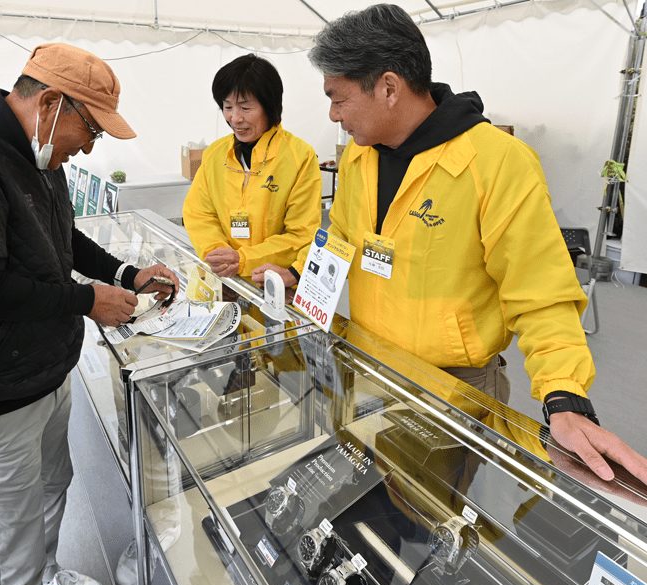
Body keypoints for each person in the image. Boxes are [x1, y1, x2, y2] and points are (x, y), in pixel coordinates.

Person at [254, 3, 647, 485]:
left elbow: (541, 292)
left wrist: (565, 398)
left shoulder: (496, 163)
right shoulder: (359, 158)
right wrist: (300, 273)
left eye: (338, 99)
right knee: (368, 489)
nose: (333, 115)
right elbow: (340, 234)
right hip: (368, 364)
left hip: (454, 391)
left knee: (430, 508)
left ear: (389, 87)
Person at [0, 43, 178, 585]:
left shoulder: (39, 155)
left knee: (51, 491)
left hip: (41, 373)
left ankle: (48, 576)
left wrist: (126, 274)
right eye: (91, 130)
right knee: (8, 550)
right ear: (51, 103)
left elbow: (61, 237)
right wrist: (86, 301)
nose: (89, 146)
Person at [183, 53, 322, 283]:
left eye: (245, 108)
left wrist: (243, 259)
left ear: (269, 106)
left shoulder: (300, 157)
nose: (235, 118)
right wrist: (218, 254)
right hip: (225, 280)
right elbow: (198, 214)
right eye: (227, 107)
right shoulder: (215, 154)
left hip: (273, 283)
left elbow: (301, 234)